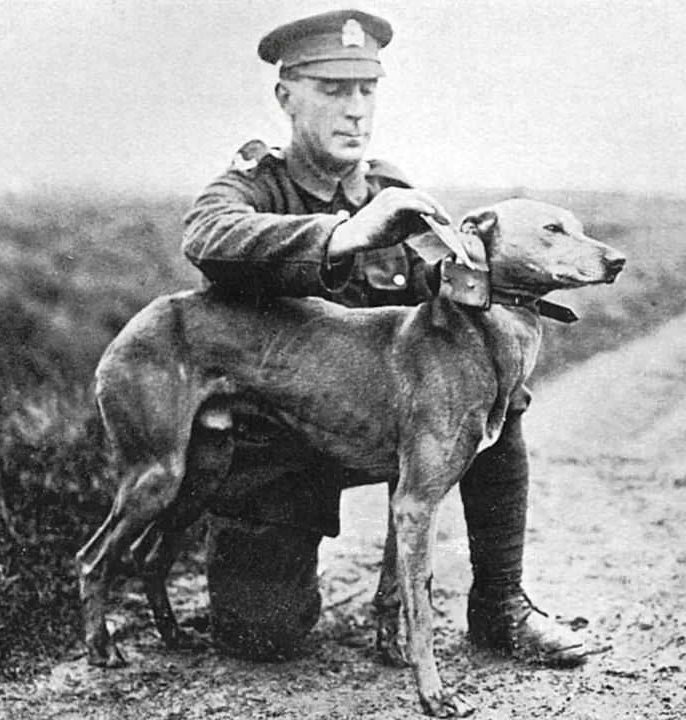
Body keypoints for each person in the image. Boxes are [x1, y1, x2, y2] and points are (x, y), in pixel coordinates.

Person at [182, 9, 587, 666]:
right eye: (333, 90)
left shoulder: (397, 192)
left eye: (366, 90)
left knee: (497, 398)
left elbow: (459, 299)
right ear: (286, 97)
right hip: (279, 444)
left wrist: (498, 285)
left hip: (382, 428)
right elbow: (206, 238)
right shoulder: (254, 186)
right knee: (263, 636)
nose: (356, 111)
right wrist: (348, 234)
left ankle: (500, 605)